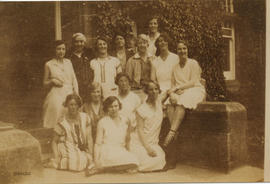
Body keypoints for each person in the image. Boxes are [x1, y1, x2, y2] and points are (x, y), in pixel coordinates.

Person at [161, 41, 206, 170]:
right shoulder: (175, 67)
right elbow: (173, 84)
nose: (182, 51)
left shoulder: (193, 63)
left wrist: (179, 89)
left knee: (182, 101)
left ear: (187, 50)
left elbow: (193, 82)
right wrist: (173, 92)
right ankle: (174, 136)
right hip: (180, 92)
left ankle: (172, 131)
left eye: (184, 48)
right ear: (177, 52)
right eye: (179, 49)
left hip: (195, 90)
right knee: (170, 103)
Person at [91, 96, 138, 174]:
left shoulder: (125, 120)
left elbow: (128, 139)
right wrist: (96, 160)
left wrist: (129, 152)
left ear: (119, 106)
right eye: (111, 107)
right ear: (107, 108)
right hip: (107, 150)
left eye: (116, 106)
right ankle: (107, 167)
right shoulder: (102, 122)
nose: (114, 109)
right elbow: (97, 143)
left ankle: (107, 168)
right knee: (117, 160)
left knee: (134, 162)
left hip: (120, 149)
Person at [129, 81, 168, 172]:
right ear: (146, 91)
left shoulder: (159, 103)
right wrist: (148, 148)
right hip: (140, 142)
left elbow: (168, 92)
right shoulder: (141, 109)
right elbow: (140, 130)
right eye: (151, 90)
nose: (154, 92)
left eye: (156, 89)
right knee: (145, 160)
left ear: (159, 91)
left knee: (160, 160)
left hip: (153, 142)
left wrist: (173, 92)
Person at [50, 94, 94, 171]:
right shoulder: (62, 122)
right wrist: (56, 156)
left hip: (80, 147)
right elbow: (54, 141)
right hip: (66, 145)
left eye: (75, 104)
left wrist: (91, 153)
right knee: (77, 163)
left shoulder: (85, 118)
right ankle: (57, 161)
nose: (73, 107)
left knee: (87, 159)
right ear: (67, 105)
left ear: (78, 106)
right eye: (71, 104)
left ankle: (59, 163)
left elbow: (89, 138)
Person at [43, 40, 78, 128]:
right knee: (57, 112)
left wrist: (76, 93)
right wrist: (52, 81)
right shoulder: (49, 64)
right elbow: (44, 83)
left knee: (70, 116)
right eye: (58, 49)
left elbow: (74, 79)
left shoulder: (68, 62)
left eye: (63, 49)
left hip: (69, 93)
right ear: (54, 50)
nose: (61, 51)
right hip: (57, 93)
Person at [68, 33, 95, 100]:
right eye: (76, 42)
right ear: (73, 43)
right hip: (75, 86)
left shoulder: (89, 54)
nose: (79, 44)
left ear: (84, 43)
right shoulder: (69, 56)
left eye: (81, 42)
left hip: (88, 87)